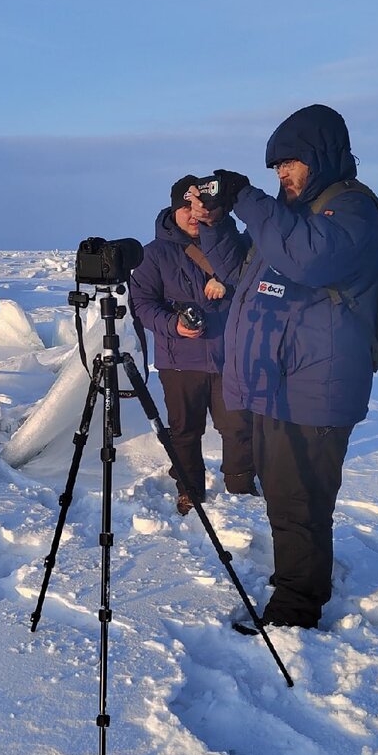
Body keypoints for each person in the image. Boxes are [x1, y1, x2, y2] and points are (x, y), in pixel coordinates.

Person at [192, 104, 378, 629]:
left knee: (299, 499)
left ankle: (296, 610)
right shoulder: (291, 219)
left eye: (290, 163)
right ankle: (301, 583)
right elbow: (239, 271)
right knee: (285, 494)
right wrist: (215, 223)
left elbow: (310, 261)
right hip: (284, 383)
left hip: (317, 386)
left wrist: (247, 199)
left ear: (320, 156)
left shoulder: (351, 212)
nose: (282, 175)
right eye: (275, 168)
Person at [130, 174, 256, 516]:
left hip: (230, 356)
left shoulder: (231, 243)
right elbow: (141, 303)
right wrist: (173, 325)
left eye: (197, 206)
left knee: (237, 426)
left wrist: (228, 284)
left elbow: (257, 278)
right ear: (174, 209)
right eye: (184, 206)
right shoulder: (153, 255)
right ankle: (189, 489)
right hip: (179, 360)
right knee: (185, 430)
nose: (191, 213)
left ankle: (241, 486)